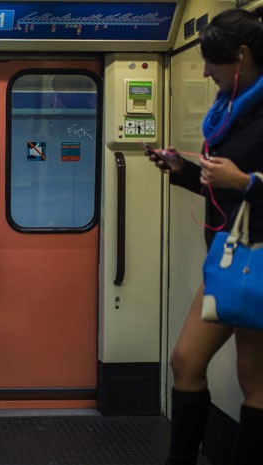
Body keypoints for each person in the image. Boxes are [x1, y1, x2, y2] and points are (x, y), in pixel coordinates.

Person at [144, 8, 263, 465]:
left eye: (212, 61)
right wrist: (186, 171)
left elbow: (242, 183)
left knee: (255, 382)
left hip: (258, 257)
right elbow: (226, 185)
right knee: (185, 362)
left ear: (242, 55)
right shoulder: (228, 110)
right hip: (226, 258)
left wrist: (246, 182)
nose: (206, 71)